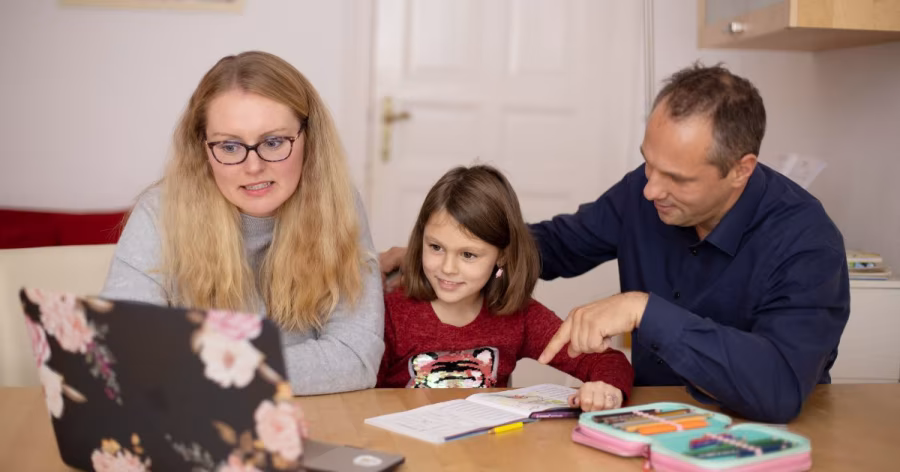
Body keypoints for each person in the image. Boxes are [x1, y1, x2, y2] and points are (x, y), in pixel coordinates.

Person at [380, 63, 850, 423]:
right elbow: (556, 244)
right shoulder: (643, 193)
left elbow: (779, 389)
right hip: (644, 421)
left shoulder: (807, 244)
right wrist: (470, 248)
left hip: (753, 432)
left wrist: (645, 311)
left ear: (740, 170)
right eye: (648, 163)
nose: (650, 190)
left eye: (677, 178)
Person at [102, 51, 384, 395]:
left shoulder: (339, 204)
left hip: (314, 414)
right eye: (230, 146)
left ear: (309, 138)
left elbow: (355, 357)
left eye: (274, 142)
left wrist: (196, 367)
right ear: (202, 148)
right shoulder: (158, 213)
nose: (253, 167)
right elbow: (122, 352)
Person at [377, 165, 634, 411]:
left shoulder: (519, 316)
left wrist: (605, 389)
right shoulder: (390, 315)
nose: (448, 267)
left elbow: (608, 360)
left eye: (468, 254)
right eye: (436, 247)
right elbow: (361, 396)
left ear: (501, 256)